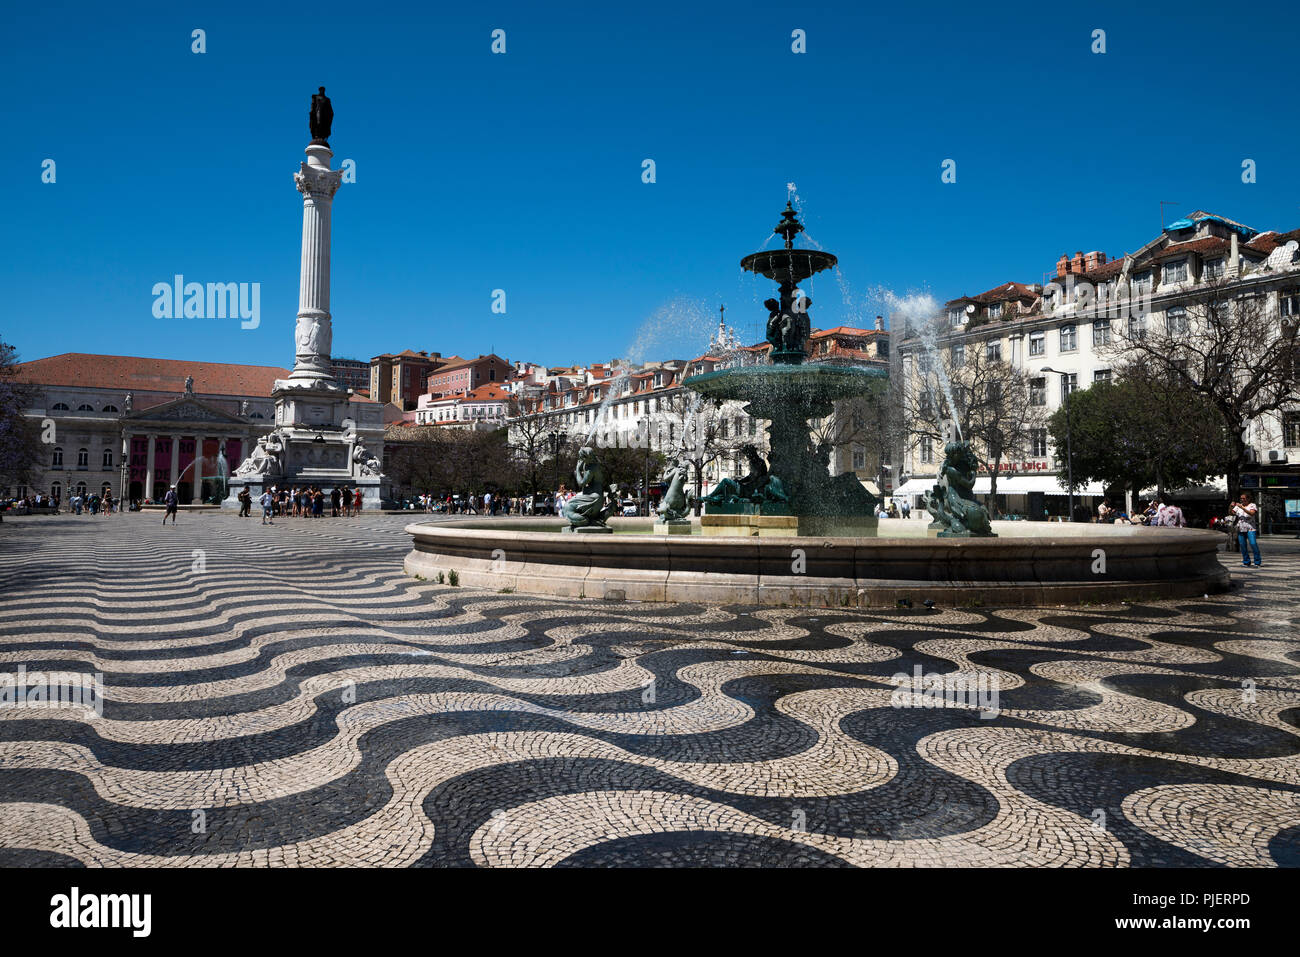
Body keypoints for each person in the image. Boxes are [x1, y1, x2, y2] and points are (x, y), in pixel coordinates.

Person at [1231, 493, 1261, 567]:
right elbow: (1232, 513)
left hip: (1251, 528)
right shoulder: (1238, 506)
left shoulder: (1252, 505)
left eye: (1243, 498)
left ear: (1248, 499)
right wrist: (1231, 507)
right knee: (1242, 545)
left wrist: (1242, 508)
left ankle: (1257, 562)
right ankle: (1246, 561)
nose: (1242, 500)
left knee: (1253, 544)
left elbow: (1251, 513)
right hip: (1241, 528)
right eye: (1241, 498)